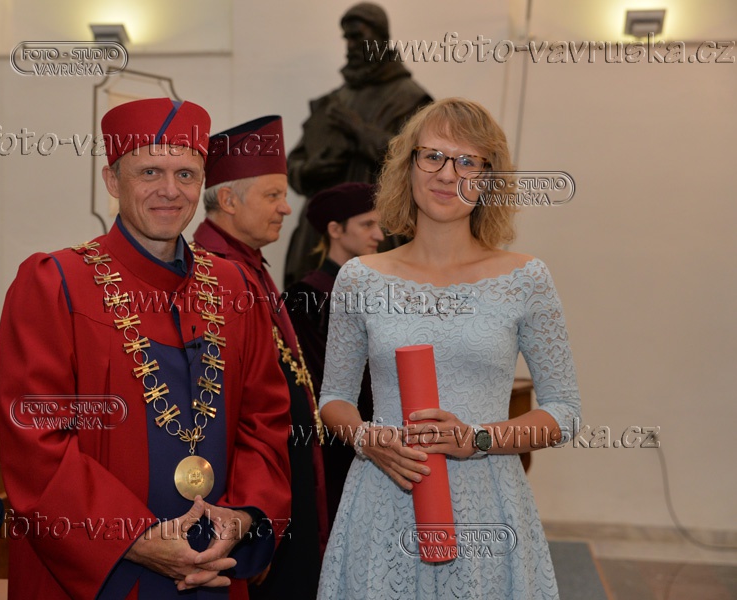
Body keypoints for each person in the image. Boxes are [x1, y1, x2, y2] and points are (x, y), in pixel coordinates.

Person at [0, 98, 292, 600]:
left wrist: (244, 516)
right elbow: (36, 443)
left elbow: (265, 420)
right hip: (103, 572)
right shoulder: (56, 284)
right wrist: (133, 538)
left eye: (186, 174)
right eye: (149, 171)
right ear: (112, 181)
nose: (169, 190)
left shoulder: (234, 286)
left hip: (213, 569)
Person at [316, 97, 581, 599]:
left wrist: (478, 438)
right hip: (386, 490)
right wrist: (368, 438)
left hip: (487, 501)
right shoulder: (361, 278)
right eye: (433, 156)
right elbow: (333, 399)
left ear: (488, 179)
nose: (446, 174)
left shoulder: (525, 278)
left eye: (467, 161)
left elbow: (564, 411)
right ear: (409, 165)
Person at [193, 115, 328, 600]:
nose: (286, 208)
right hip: (251, 496)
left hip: (277, 484)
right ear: (229, 200)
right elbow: (216, 411)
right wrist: (250, 517)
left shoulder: (250, 263)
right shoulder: (211, 273)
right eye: (273, 195)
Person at [283, 2, 432, 287]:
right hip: (319, 237)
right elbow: (294, 164)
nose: (350, 46)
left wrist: (359, 130)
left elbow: (418, 161)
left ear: (381, 39)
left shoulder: (410, 98)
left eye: (358, 37)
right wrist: (311, 169)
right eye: (347, 38)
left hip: (378, 233)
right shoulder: (333, 100)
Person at [284, 182, 382, 525]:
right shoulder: (305, 297)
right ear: (335, 230)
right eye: (367, 224)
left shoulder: (381, 289)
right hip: (337, 444)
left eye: (379, 224)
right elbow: (319, 381)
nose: (379, 235)